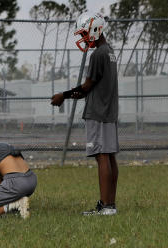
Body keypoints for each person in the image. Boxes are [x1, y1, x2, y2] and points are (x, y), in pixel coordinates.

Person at [51, 12, 119, 216]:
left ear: (95, 29)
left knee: (101, 156)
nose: (83, 38)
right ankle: (109, 204)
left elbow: (87, 87)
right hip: (109, 111)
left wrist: (63, 95)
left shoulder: (98, 54)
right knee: (109, 156)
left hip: (99, 111)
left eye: (84, 33)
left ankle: (106, 206)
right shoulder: (109, 51)